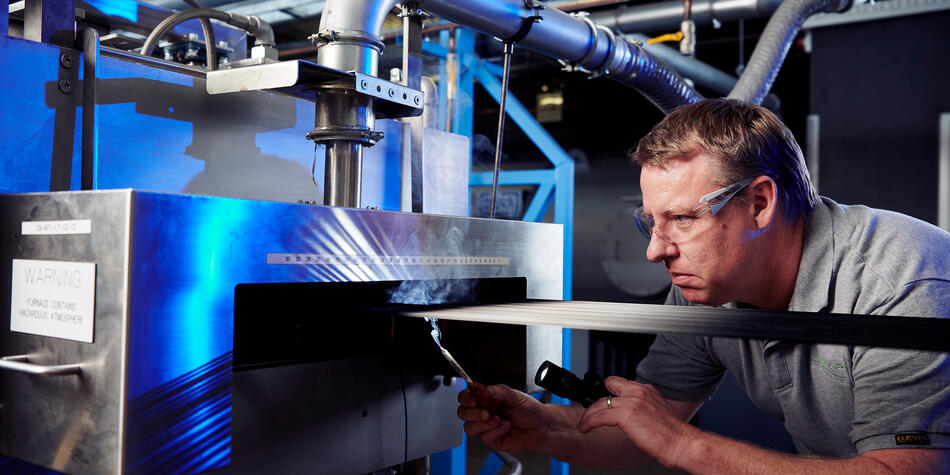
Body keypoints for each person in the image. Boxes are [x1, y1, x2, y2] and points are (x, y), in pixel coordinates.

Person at [457, 98, 950, 473]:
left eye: (683, 219)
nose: (655, 250)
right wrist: (547, 428)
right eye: (650, 222)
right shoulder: (707, 290)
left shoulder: (901, 282)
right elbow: (645, 429)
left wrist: (685, 443)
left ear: (759, 203)